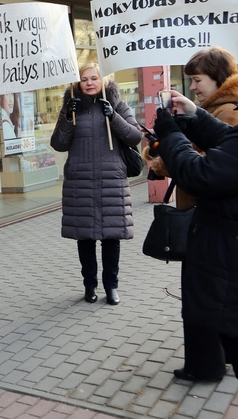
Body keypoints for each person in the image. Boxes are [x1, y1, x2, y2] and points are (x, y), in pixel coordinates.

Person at [146, 47, 238, 382]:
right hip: (217, 242)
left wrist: (170, 136)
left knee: (217, 316)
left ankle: (207, 366)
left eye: (197, 80)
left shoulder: (231, 107)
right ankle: (204, 365)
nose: (193, 86)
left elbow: (204, 173)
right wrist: (194, 116)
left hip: (225, 247)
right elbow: (228, 140)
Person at [50, 62, 142, 306]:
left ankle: (111, 287)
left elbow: (135, 136)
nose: (89, 83)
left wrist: (113, 116)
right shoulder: (71, 108)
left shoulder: (118, 105)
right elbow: (58, 144)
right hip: (80, 180)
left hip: (111, 179)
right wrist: (67, 117)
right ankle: (89, 286)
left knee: (112, 237)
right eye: (84, 79)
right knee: (85, 237)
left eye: (94, 78)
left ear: (104, 80)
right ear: (78, 83)